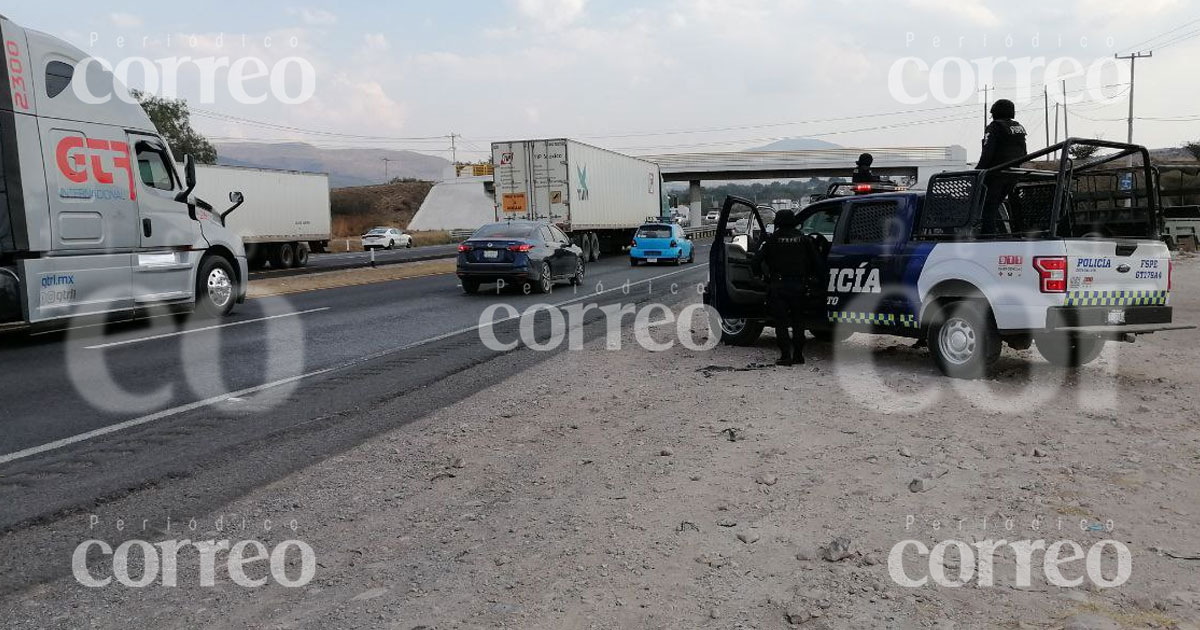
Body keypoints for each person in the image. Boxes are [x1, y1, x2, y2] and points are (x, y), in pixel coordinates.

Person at [759, 209, 822, 366]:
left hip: (778, 286)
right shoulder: (804, 240)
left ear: (778, 223)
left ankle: (785, 356)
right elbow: (817, 264)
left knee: (781, 322)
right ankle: (799, 356)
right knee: (798, 322)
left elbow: (755, 262)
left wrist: (764, 277)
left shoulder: (771, 241)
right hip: (799, 285)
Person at [977, 99, 1028, 234]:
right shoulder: (1018, 128)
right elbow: (1024, 152)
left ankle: (988, 236)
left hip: (996, 174)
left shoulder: (994, 127)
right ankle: (1012, 233)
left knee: (988, 206)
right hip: (1013, 174)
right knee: (998, 204)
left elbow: (987, 153)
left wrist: (978, 172)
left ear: (994, 112)